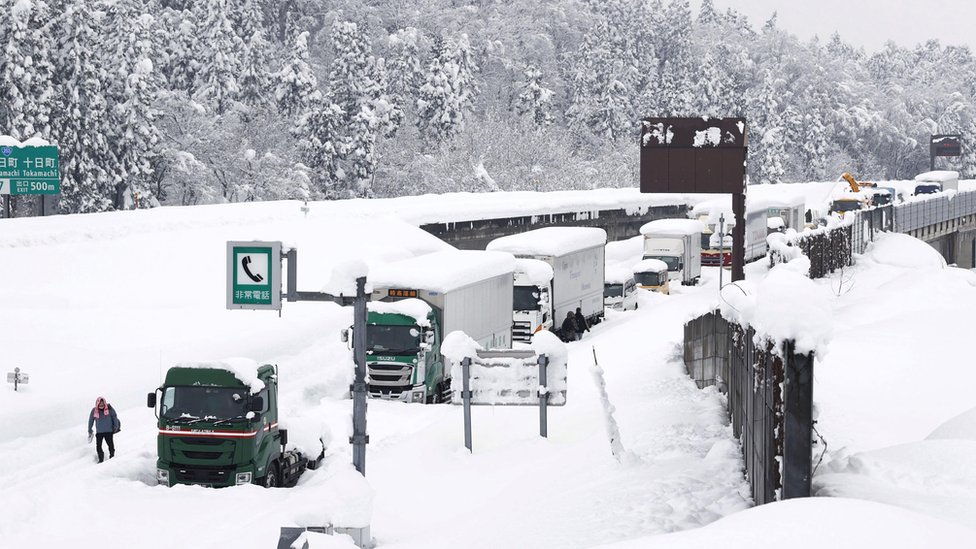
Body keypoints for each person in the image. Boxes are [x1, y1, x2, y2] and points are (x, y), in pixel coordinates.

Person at [87, 396, 120, 463]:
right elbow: (91, 420)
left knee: (110, 445)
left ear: (104, 403)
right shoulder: (94, 410)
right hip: (99, 432)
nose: (101, 404)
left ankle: (112, 457)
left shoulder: (109, 409)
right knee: (98, 447)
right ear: (97, 403)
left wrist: (116, 426)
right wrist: (89, 429)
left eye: (102, 403)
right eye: (100, 403)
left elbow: (114, 417)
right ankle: (101, 459)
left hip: (109, 431)